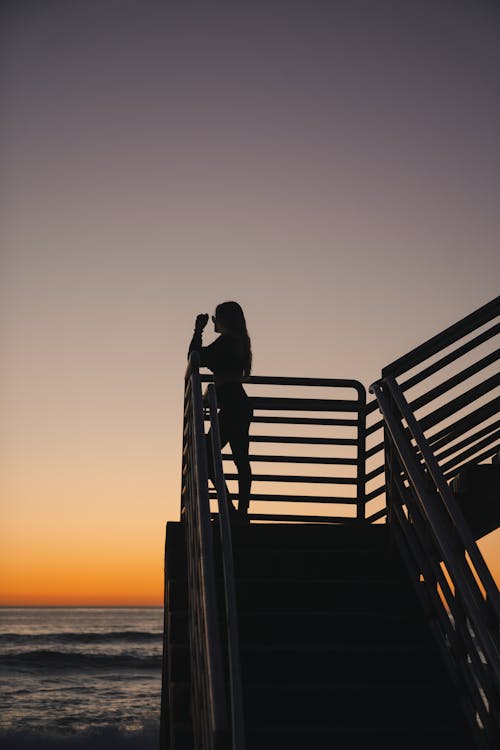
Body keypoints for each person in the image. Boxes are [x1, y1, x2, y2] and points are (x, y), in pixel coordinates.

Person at [188, 301, 253, 522]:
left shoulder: (227, 342)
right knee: (240, 460)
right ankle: (240, 513)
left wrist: (198, 329)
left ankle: (231, 510)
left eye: (216, 318)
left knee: (206, 456)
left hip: (232, 406)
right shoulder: (239, 342)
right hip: (239, 405)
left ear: (224, 320)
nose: (214, 322)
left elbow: (195, 356)